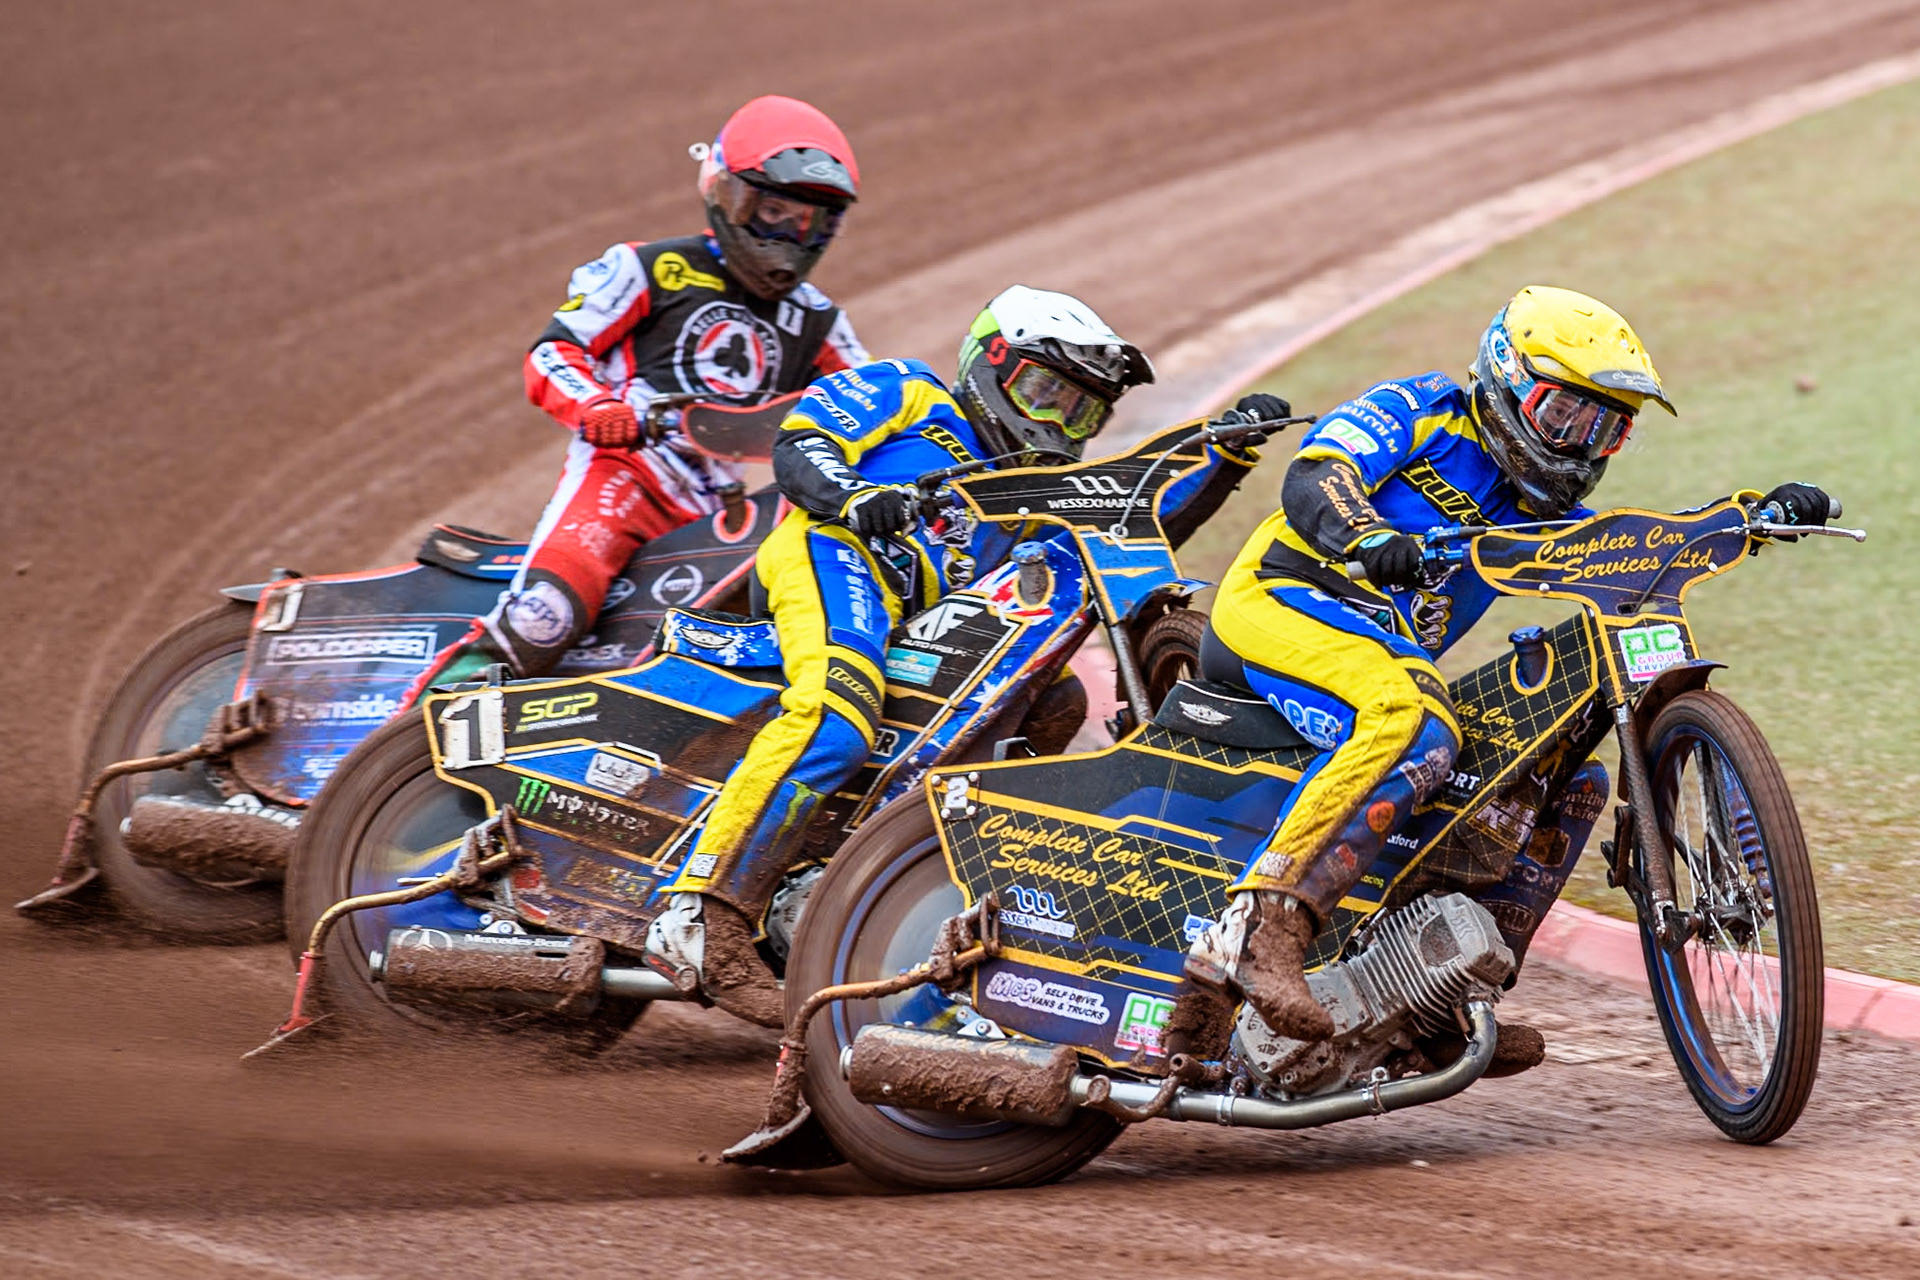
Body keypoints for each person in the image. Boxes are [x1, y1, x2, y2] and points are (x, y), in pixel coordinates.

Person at [1170, 285, 1835, 1064]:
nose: (1581, 444)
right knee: (1414, 724)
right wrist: (1369, 534)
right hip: (1287, 596)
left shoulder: (1540, 513)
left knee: (1564, 775)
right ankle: (1260, 930)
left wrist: (1753, 516)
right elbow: (1316, 475)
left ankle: (1435, 997)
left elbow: (1629, 544)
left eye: (1605, 429)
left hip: (1380, 646)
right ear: (1505, 377)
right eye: (1565, 416)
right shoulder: (1421, 405)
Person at [642, 285, 1284, 1025]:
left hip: (927, 627)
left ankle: (888, 894)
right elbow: (804, 440)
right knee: (835, 718)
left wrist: (1224, 454)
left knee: (1053, 704)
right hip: (836, 552)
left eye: (1081, 410)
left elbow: (1125, 527)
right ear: (992, 361)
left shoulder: (1032, 488)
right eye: (1045, 393)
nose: (1057, 421)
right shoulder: (909, 390)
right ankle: (697, 913)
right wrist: (852, 497)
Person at [416, 96, 869, 690]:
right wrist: (598, 407)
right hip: (626, 476)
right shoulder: (647, 268)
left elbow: (868, 402)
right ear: (728, 192)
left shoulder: (818, 320)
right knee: (545, 616)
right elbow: (552, 352)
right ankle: (403, 738)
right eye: (777, 211)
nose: (792, 234)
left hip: (726, 515)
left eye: (813, 222)